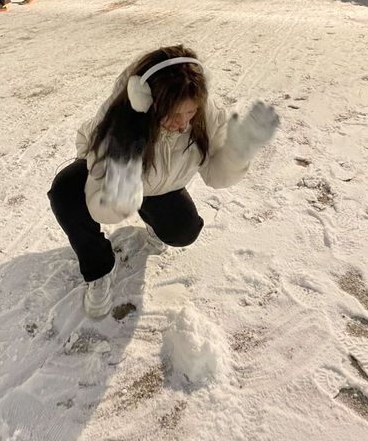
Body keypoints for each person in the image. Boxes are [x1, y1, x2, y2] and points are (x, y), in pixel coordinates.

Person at [48, 45, 280, 319]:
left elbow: (215, 176)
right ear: (147, 101)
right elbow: (106, 212)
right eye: (173, 114)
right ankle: (98, 269)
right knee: (65, 192)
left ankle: (152, 218)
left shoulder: (205, 113)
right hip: (114, 181)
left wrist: (238, 151)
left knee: (184, 231)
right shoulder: (118, 118)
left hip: (161, 184)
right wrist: (130, 140)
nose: (183, 125)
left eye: (190, 113)